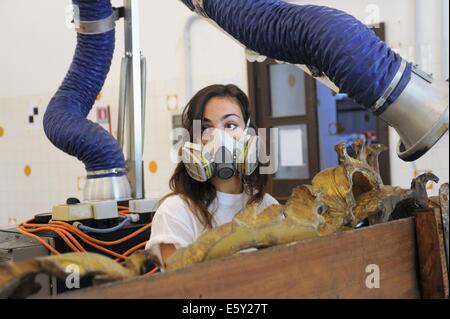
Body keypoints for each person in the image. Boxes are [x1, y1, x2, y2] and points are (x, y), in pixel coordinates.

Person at [145, 84, 278, 267]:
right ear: (193, 140)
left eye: (231, 125)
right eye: (206, 128)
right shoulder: (176, 212)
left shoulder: (267, 206)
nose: (220, 137)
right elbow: (181, 289)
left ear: (249, 134)